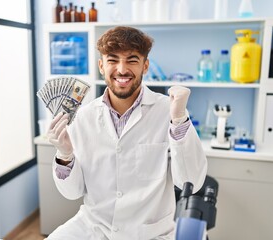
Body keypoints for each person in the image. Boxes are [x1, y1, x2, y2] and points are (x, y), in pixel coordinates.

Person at [46, 26, 208, 240]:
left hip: (150, 233)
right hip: (94, 228)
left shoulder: (167, 112)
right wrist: (65, 156)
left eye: (132, 60)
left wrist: (178, 119)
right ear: (101, 66)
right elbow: (72, 192)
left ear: (145, 65)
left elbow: (191, 181)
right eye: (113, 60)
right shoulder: (83, 117)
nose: (122, 69)